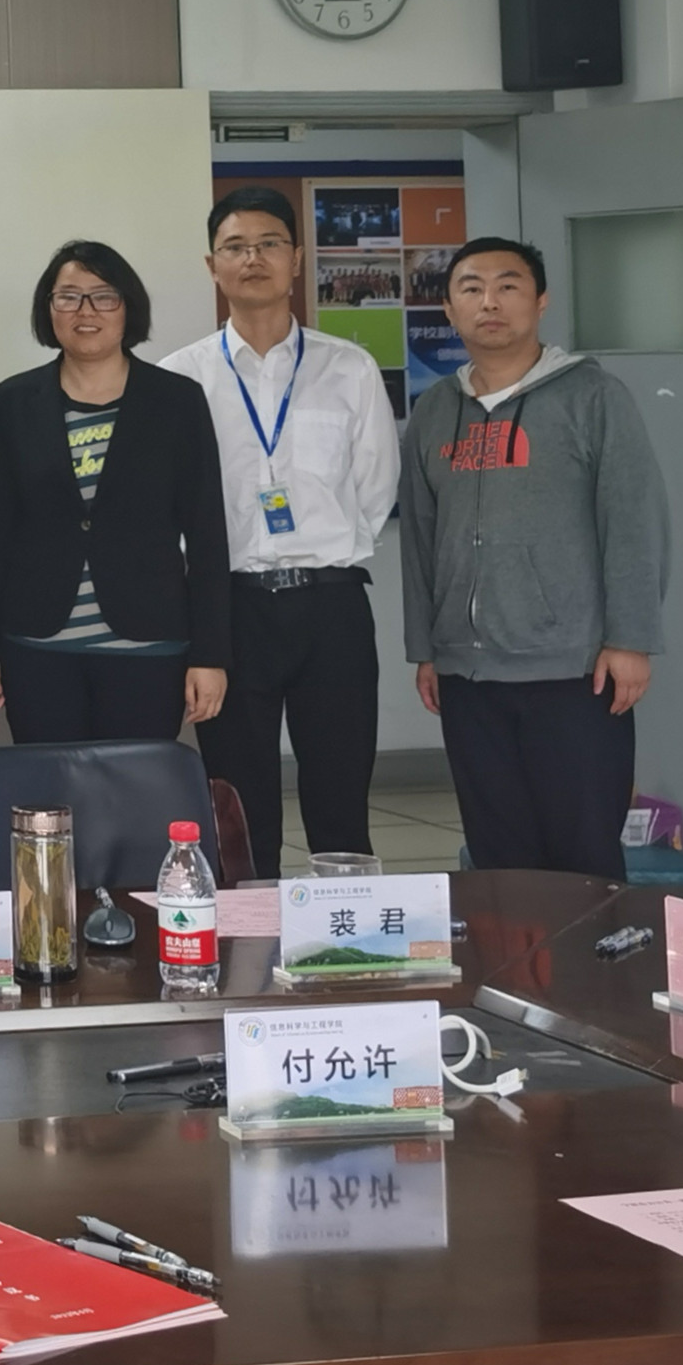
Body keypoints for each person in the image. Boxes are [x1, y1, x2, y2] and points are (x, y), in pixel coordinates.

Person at [401, 236, 669, 881]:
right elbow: (420, 535)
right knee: (498, 857)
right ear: (450, 309)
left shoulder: (593, 396)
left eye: (508, 286)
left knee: (583, 854)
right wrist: (426, 648)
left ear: (540, 301)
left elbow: (633, 521)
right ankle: (511, 952)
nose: (489, 302)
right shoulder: (435, 410)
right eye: (471, 288)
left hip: (574, 671)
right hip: (468, 677)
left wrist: (630, 639)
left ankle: (595, 954)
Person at [164, 188, 399, 881]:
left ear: (296, 259)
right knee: (238, 806)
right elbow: (170, 505)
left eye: (269, 244)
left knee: (340, 793)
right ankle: (249, 937)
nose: (253, 259)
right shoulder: (181, 377)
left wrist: (318, 549)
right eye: (235, 247)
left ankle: (346, 932)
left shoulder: (348, 367)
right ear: (212, 265)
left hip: (331, 605)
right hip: (227, 608)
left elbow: (375, 486)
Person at [0, 241, 231, 743]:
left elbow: (207, 535)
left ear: (127, 307)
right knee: (49, 788)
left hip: (148, 647)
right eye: (68, 296)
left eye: (103, 296)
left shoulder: (176, 401)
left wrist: (210, 654)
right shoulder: (16, 401)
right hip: (37, 647)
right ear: (48, 308)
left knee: (136, 788)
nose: (85, 311)